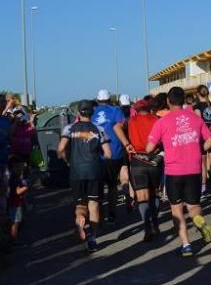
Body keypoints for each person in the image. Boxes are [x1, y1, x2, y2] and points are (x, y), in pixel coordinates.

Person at [147, 87, 211, 257]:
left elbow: (149, 148)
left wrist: (161, 148)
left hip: (174, 172)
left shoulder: (162, 122)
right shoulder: (195, 118)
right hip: (194, 169)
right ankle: (198, 220)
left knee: (177, 210)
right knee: (193, 205)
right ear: (184, 100)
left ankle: (186, 245)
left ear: (169, 102)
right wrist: (198, 147)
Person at [57, 100, 111, 253]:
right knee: (94, 205)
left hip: (76, 172)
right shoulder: (99, 129)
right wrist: (99, 159)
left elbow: (60, 148)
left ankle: (81, 221)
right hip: (94, 170)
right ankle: (93, 239)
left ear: (79, 113)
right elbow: (108, 153)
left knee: (80, 206)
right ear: (92, 113)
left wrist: (68, 161)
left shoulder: (69, 129)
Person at [116, 99, 162, 241]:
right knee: (155, 194)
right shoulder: (157, 119)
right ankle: (155, 224)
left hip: (137, 161)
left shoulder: (130, 121)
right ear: (149, 108)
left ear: (135, 109)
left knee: (142, 198)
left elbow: (116, 127)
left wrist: (127, 144)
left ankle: (147, 227)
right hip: (154, 160)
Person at [91, 90, 128, 223]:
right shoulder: (116, 110)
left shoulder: (92, 112)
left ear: (97, 99)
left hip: (97, 154)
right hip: (115, 153)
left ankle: (98, 215)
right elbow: (121, 127)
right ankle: (111, 213)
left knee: (98, 186)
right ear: (110, 99)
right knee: (112, 185)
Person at [193, 85, 211, 197]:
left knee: (203, 164)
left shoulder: (197, 107)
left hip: (203, 138)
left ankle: (203, 188)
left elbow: (198, 123)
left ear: (197, 94)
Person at [6, 156, 27, 243]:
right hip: (15, 204)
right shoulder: (14, 179)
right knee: (15, 222)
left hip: (17, 203)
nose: (20, 170)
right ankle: (13, 240)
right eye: (17, 168)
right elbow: (17, 191)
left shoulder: (16, 178)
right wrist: (25, 188)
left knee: (17, 222)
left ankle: (14, 238)